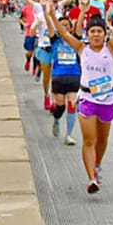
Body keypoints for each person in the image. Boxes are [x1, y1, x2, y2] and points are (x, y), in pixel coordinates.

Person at [46, 1, 113, 194]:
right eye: (92, 32)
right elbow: (64, 34)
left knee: (102, 140)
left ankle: (97, 164)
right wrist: (52, 15)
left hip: (106, 100)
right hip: (87, 100)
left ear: (105, 34)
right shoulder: (82, 48)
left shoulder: (111, 49)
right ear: (87, 34)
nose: (96, 35)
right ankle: (91, 179)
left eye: (99, 31)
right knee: (89, 140)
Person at [44, 9, 81, 145]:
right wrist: (46, 11)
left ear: (71, 28)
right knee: (60, 107)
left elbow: (81, 23)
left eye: (67, 25)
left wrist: (82, 9)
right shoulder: (55, 40)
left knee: (72, 104)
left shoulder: (75, 40)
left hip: (74, 76)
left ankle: (69, 135)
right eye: (62, 25)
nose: (65, 27)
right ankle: (57, 120)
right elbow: (50, 25)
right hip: (59, 77)